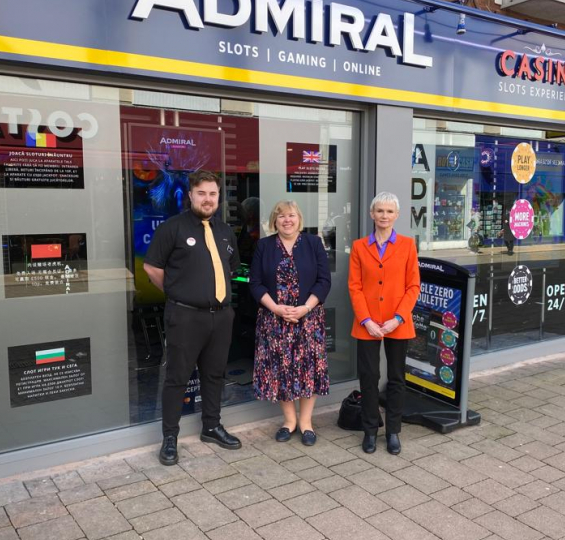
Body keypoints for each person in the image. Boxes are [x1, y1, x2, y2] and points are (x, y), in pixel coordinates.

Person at [143, 170, 242, 466]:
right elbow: (152, 268)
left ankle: (211, 427)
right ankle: (170, 438)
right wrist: (178, 292)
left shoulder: (225, 230)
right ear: (190, 195)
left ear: (218, 197)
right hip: (185, 317)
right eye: (202, 193)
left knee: (214, 374)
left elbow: (233, 268)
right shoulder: (172, 228)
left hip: (221, 317)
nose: (208, 199)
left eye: (213, 194)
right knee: (177, 378)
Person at [249, 201, 331, 446]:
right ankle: (289, 421)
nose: (287, 220)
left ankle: (306, 422)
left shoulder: (314, 243)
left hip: (308, 319)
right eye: (281, 216)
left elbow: (324, 281)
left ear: (299, 219)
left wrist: (305, 308)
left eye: (291, 215)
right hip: (274, 320)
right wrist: (275, 308)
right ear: (275, 221)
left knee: (309, 369)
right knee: (281, 370)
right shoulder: (264, 246)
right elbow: (255, 283)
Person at [348, 192, 420, 455]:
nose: (384, 216)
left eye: (389, 212)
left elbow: (413, 286)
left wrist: (397, 319)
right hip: (367, 323)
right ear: (372, 214)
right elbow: (354, 287)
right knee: (368, 378)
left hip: (397, 322)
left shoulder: (407, 245)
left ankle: (393, 432)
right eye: (380, 211)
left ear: (396, 215)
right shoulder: (358, 247)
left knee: (397, 379)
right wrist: (366, 320)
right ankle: (369, 431)